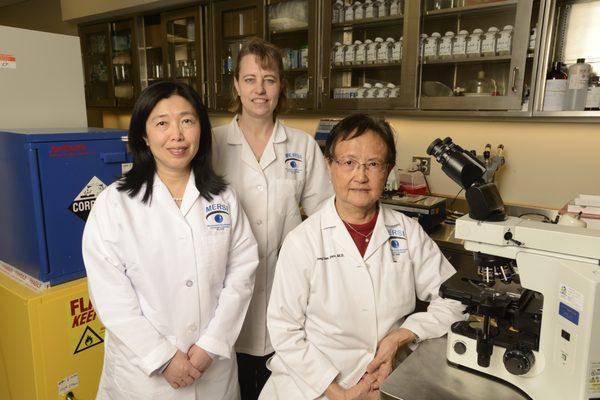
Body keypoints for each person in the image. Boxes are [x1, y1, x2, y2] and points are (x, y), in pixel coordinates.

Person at [260, 114, 466, 400]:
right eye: (348, 163)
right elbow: (284, 330)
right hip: (310, 390)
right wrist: (336, 392)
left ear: (388, 170)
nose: (361, 176)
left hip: (385, 383)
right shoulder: (303, 241)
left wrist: (404, 335)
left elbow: (456, 300)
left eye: (373, 164)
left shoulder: (407, 232)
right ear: (329, 166)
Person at [82, 81, 259, 400]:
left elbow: (242, 275)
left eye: (187, 121)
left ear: (201, 131)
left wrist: (211, 345)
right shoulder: (114, 204)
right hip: (144, 378)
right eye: (162, 123)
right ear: (144, 136)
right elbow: (111, 296)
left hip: (212, 369)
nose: (177, 134)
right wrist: (163, 357)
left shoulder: (223, 198)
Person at [212, 37, 333, 400]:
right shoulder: (212, 145)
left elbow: (324, 219)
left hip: (288, 295)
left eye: (269, 79)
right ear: (236, 84)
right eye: (250, 79)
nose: (259, 90)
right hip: (224, 297)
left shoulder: (302, 145)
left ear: (281, 86)